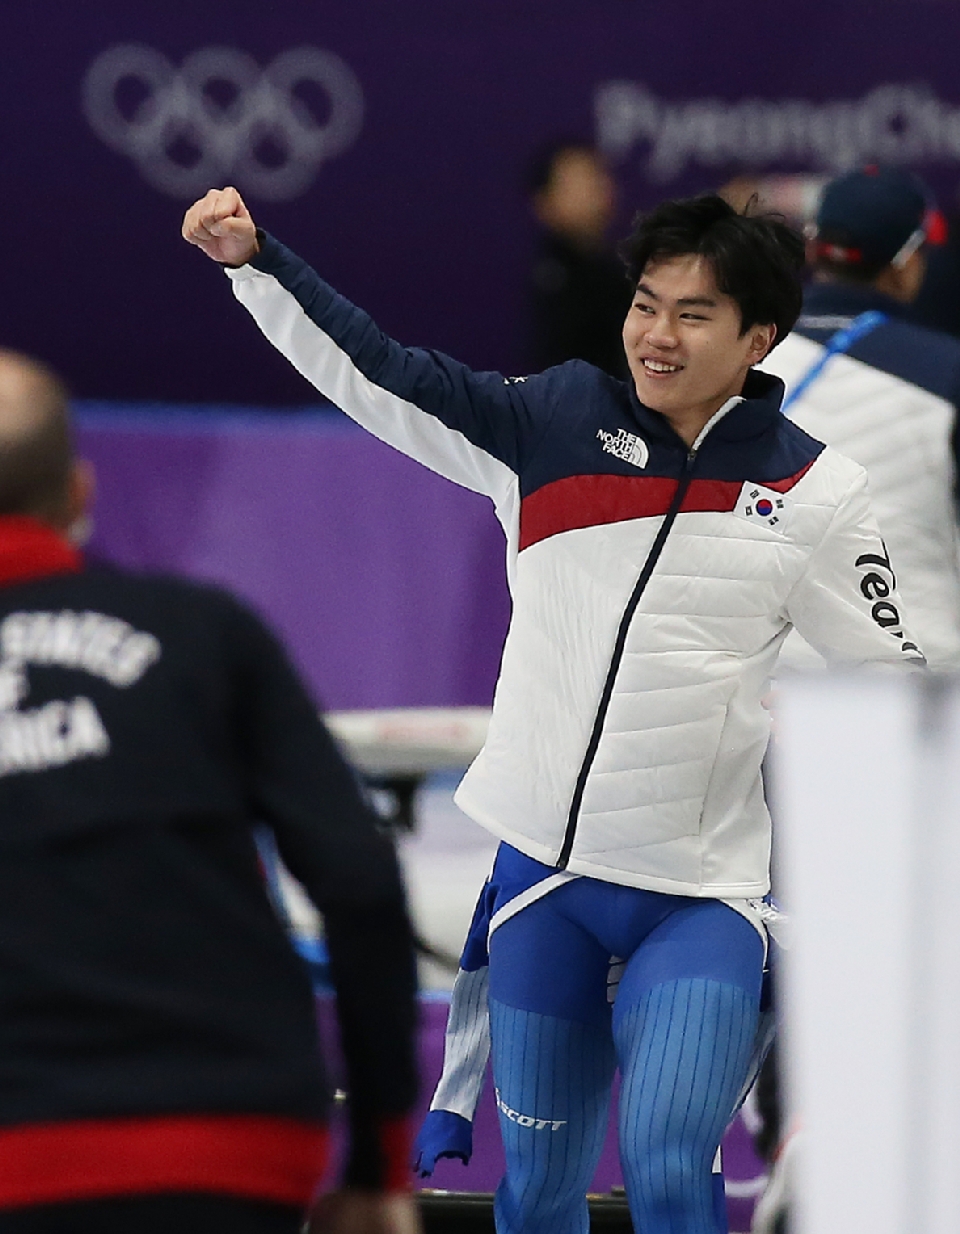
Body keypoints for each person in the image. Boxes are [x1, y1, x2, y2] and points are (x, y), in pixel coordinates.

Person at [182, 187, 923, 1234]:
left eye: (694, 314)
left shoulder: (815, 490)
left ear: (761, 336)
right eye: (645, 304)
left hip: (697, 898)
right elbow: (380, 373)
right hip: (543, 890)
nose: (656, 336)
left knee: (668, 1170)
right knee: (535, 1195)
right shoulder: (550, 421)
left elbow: (895, 688)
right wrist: (255, 265)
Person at [0, 350, 420, 1234]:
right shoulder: (206, 633)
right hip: (230, 1139)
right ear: (79, 492)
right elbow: (358, 881)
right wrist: (381, 1159)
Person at [759, 164, 960, 673]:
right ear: (907, 264)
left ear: (812, 249)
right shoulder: (948, 373)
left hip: (767, 678)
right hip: (919, 681)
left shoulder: (738, 359)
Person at [526, 140, 632, 378]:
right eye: (577, 182)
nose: (595, 189)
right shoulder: (556, 283)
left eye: (597, 176)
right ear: (544, 202)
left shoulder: (618, 269)